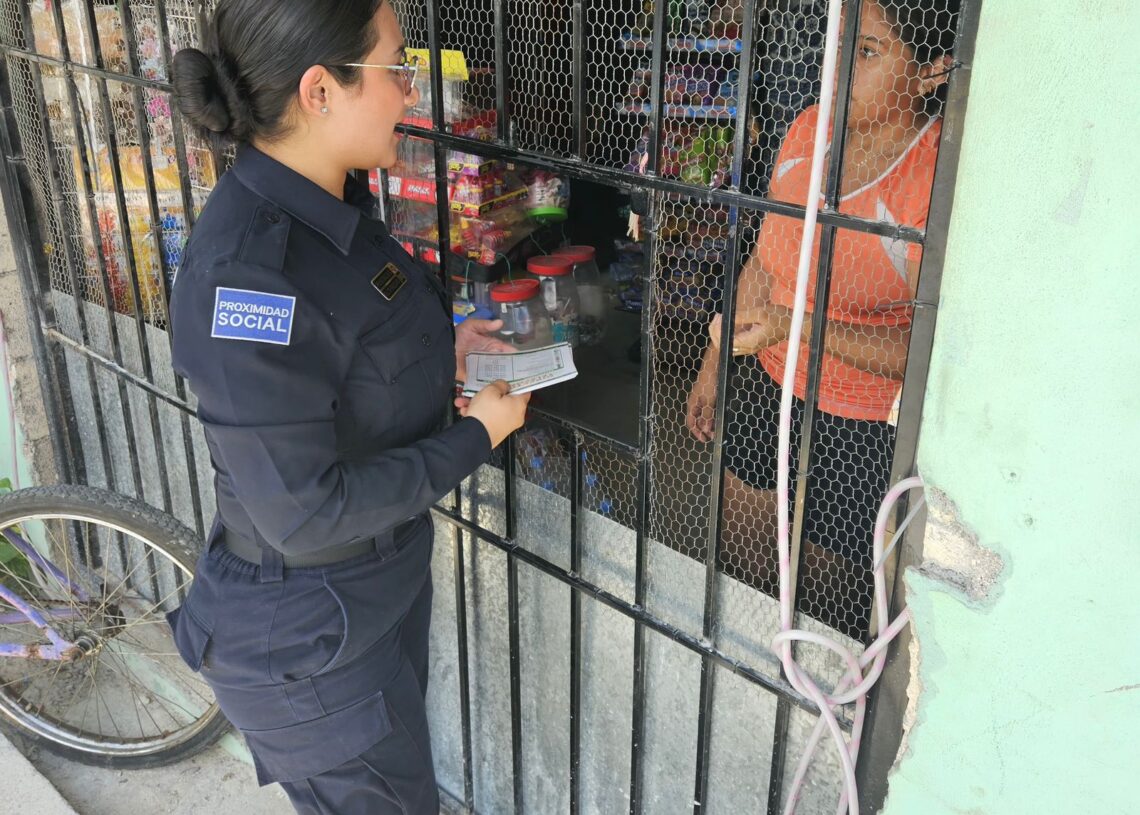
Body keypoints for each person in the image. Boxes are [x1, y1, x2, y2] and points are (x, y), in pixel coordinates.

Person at [164, 2, 529, 812]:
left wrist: (446, 353)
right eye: (397, 67)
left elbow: (349, 352)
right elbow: (304, 511)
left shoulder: (325, 203)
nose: (410, 90)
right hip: (310, 645)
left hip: (368, 601)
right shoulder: (248, 279)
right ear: (320, 92)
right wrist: (476, 435)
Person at [687, 0, 958, 634]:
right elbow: (766, 255)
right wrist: (714, 361)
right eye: (838, 45)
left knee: (823, 595)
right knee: (742, 548)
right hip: (767, 377)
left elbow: (925, 351)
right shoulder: (809, 129)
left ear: (932, 71)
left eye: (866, 52)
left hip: (859, 418)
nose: (835, 69)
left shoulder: (933, 178)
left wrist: (798, 326)